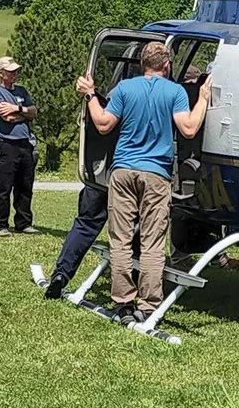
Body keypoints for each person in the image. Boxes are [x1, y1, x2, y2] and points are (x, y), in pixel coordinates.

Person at [79, 41, 214, 320]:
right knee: (153, 242)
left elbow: (103, 124)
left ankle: (122, 303)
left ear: (142, 64)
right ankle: (148, 306)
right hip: (156, 174)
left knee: (122, 240)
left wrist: (91, 95)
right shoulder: (176, 92)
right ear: (166, 65)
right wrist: (202, 98)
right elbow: (188, 129)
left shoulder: (126, 88)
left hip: (123, 171)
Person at [0, 55, 37, 236]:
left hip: (25, 145)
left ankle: (23, 223)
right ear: (1, 73)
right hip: (6, 145)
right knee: (4, 187)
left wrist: (18, 109)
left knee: (25, 186)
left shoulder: (22, 91)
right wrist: (25, 114)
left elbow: (33, 112)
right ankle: (0, 225)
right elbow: (6, 117)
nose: (15, 74)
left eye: (16, 71)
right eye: (10, 72)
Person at [40, 179, 112, 300]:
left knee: (85, 226)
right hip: (129, 178)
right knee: (130, 230)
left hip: (97, 179)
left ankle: (61, 275)